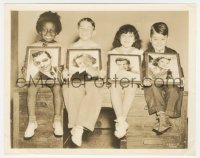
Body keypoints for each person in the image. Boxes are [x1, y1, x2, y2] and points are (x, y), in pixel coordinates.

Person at [62, 17, 106, 147]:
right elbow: (66, 68)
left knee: (95, 89)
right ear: (78, 30)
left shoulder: (98, 48)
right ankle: (76, 127)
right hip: (76, 79)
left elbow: (102, 71)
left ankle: (79, 127)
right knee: (71, 88)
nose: (85, 31)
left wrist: (100, 73)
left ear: (94, 31)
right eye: (82, 28)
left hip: (92, 79)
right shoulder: (71, 48)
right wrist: (65, 72)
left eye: (88, 28)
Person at [21, 11, 64, 138]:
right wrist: (25, 70)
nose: (48, 33)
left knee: (57, 88)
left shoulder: (59, 47)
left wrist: (61, 70)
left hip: (52, 77)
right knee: (31, 89)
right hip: (37, 77)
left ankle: (57, 120)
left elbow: (61, 66)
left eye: (52, 31)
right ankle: (32, 121)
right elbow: (27, 65)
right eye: (44, 30)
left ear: (57, 32)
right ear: (39, 31)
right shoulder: (33, 46)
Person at [142, 22, 184, 134]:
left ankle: (165, 118)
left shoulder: (173, 53)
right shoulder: (147, 54)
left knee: (175, 89)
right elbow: (143, 70)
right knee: (152, 87)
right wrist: (144, 79)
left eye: (162, 39)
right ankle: (162, 116)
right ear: (150, 39)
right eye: (155, 39)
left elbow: (178, 69)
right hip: (154, 83)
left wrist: (181, 79)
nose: (159, 43)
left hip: (170, 83)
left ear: (167, 38)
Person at [108, 24, 143, 139]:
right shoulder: (113, 52)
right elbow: (110, 70)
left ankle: (120, 122)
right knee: (114, 87)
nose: (127, 39)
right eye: (124, 36)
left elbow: (140, 71)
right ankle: (121, 121)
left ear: (135, 39)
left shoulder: (139, 53)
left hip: (132, 82)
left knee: (132, 87)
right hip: (117, 81)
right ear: (119, 37)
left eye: (130, 36)